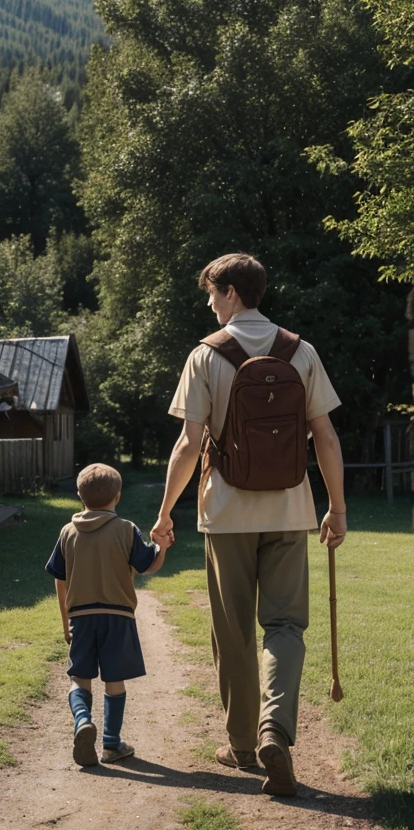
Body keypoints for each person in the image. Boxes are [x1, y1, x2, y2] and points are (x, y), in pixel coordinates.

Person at [151, 253, 347, 797]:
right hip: (290, 509)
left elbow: (190, 443)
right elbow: (325, 436)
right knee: (285, 626)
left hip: (226, 512)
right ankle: (274, 731)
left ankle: (241, 744)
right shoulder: (301, 351)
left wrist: (166, 512)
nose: (209, 302)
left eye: (212, 293)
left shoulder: (205, 357)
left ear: (233, 292)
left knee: (232, 629)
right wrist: (336, 507)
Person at [46, 462, 173, 767]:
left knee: (79, 678)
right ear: (117, 496)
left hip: (81, 616)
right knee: (114, 681)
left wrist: (66, 621)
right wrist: (162, 546)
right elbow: (148, 566)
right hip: (118, 617)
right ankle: (111, 745)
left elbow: (59, 579)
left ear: (80, 496)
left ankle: (82, 722)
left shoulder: (67, 532)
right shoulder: (126, 529)